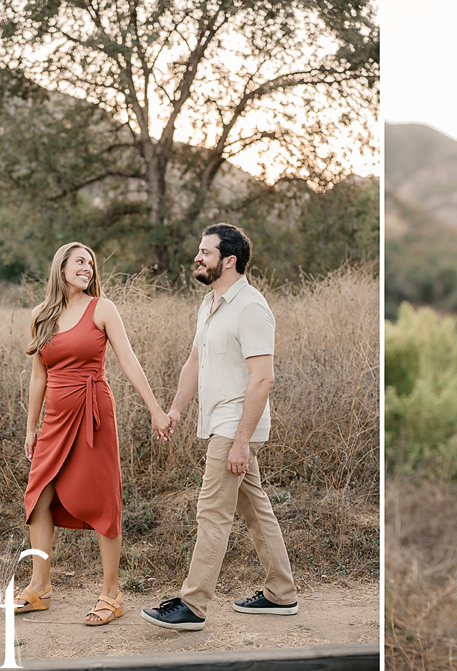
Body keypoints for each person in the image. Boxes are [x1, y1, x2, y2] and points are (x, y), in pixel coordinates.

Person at [140, 223, 297, 632]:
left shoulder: (251, 308)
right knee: (255, 508)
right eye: (199, 251)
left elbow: (263, 379)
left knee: (211, 513)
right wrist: (176, 409)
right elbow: (195, 361)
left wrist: (241, 442)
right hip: (220, 422)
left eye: (205, 252)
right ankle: (281, 593)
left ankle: (192, 605)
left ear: (229, 260)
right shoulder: (210, 304)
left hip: (235, 424)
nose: (197, 257)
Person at [20, 242, 172, 625]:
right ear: (61, 267)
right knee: (38, 496)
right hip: (54, 419)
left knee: (104, 499)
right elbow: (38, 376)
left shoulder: (102, 309)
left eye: (90, 263)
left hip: (94, 414)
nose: (87, 268)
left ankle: (111, 593)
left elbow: (128, 360)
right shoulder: (39, 315)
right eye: (80, 262)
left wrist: (155, 409)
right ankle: (40, 587)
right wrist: (31, 427)